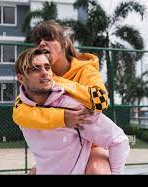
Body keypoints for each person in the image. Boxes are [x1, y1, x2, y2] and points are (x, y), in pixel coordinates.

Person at [13, 20, 110, 174]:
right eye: (38, 41)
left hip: (91, 146)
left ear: (64, 43)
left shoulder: (86, 71)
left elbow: (101, 101)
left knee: (98, 172)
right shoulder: (39, 78)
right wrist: (63, 117)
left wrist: (59, 82)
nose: (42, 43)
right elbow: (19, 113)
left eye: (48, 38)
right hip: (60, 152)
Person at [14, 47, 130, 174]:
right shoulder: (22, 109)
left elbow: (118, 140)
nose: (44, 72)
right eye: (35, 69)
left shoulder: (74, 109)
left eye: (47, 67)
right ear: (21, 78)